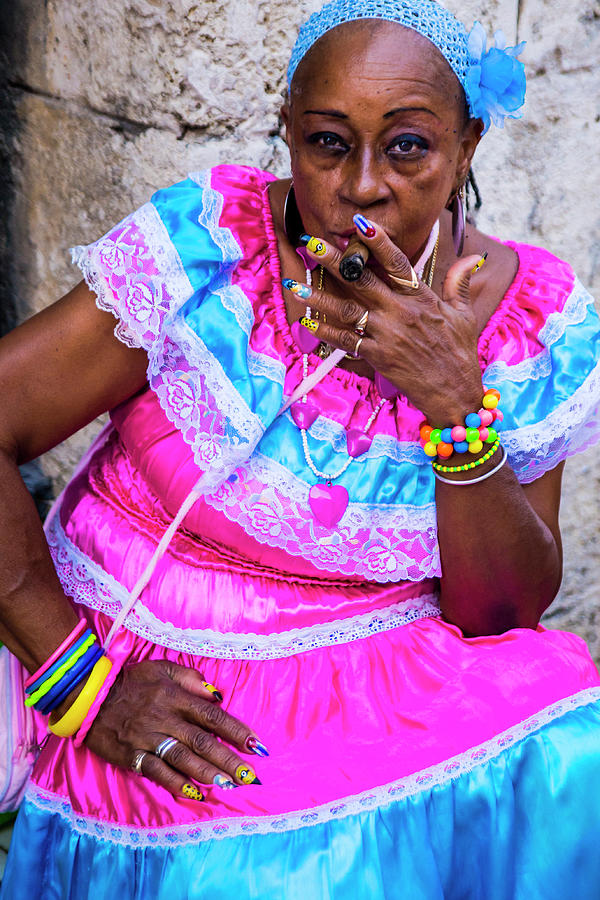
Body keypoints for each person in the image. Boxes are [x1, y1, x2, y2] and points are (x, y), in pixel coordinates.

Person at [1, 0, 600, 896]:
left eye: (408, 147)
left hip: (373, 678)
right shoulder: (214, 250)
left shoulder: (526, 319)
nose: (362, 186)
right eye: (328, 143)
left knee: (571, 762)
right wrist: (82, 689)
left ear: (466, 146)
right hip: (145, 667)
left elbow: (499, 613)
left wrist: (451, 400)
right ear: (287, 136)